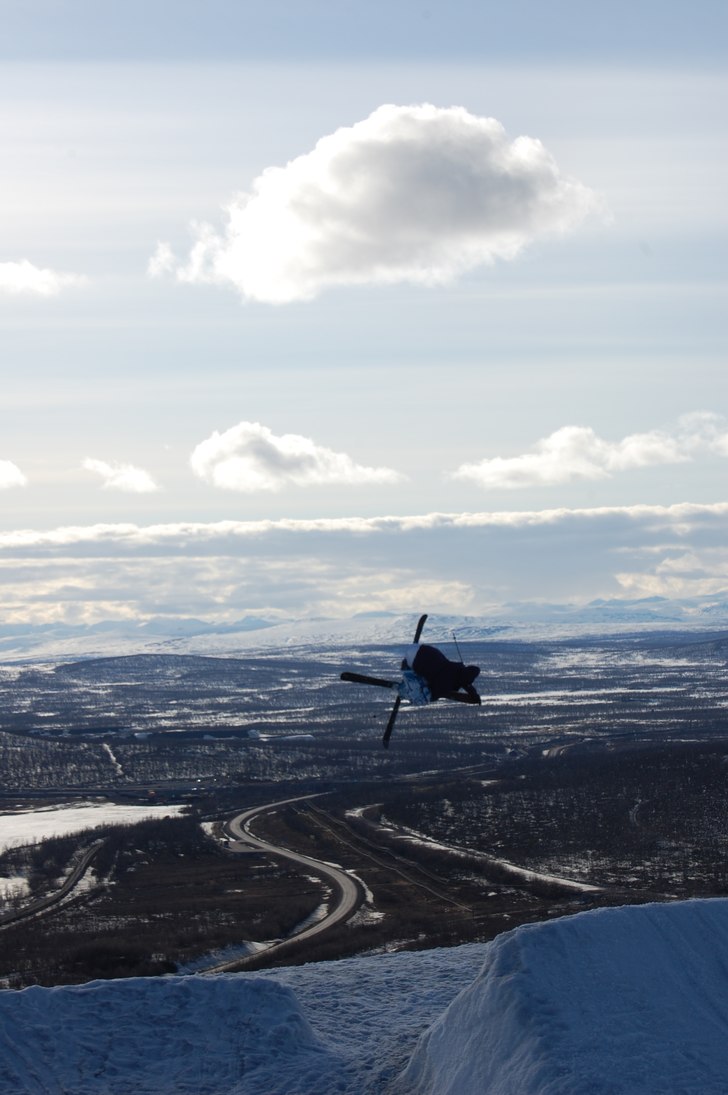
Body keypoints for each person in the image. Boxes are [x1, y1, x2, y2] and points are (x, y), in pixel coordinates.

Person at [402, 643, 481, 704]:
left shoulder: (456, 667)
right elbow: (440, 694)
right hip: (411, 661)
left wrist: (473, 693)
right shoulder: (445, 683)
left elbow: (464, 680)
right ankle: (405, 690)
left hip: (420, 648)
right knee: (425, 697)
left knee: (429, 675)